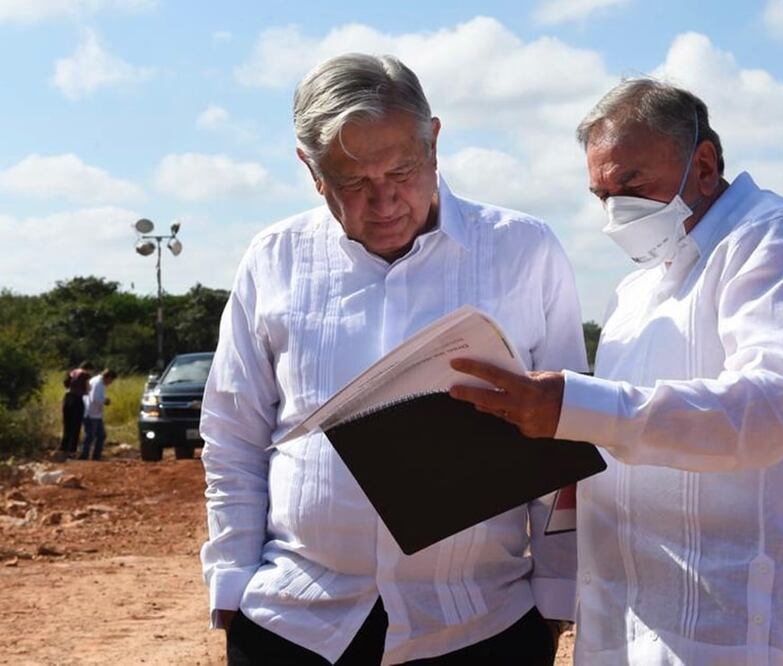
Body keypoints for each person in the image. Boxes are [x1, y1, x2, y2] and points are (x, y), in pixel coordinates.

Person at [450, 78, 783, 665]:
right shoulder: (638, 286)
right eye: (601, 194)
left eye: (632, 184)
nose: (616, 210)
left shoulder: (775, 241)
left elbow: (766, 412)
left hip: (728, 630)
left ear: (703, 163)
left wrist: (573, 407)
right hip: (621, 628)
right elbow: (620, 433)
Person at [200, 53, 587, 665]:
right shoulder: (273, 258)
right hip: (296, 620)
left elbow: (569, 432)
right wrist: (231, 581)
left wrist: (557, 594)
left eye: (403, 171)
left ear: (434, 140)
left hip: (480, 621)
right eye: (353, 183)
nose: (384, 202)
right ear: (310, 169)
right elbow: (233, 432)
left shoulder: (524, 250)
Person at [78, 368, 115, 461]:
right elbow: (94, 398)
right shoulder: (98, 383)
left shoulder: (97, 382)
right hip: (91, 414)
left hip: (95, 414)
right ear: (108, 377)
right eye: (111, 380)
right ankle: (84, 456)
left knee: (100, 435)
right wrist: (105, 401)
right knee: (90, 436)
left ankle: (95, 456)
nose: (110, 383)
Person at [59, 361, 94, 458]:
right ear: (89, 368)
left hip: (67, 398)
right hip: (77, 400)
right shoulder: (85, 375)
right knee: (76, 426)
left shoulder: (71, 372)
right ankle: (72, 451)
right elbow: (87, 389)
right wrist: (88, 389)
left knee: (67, 425)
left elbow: (66, 384)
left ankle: (63, 449)